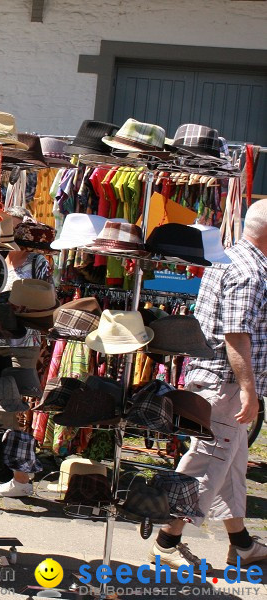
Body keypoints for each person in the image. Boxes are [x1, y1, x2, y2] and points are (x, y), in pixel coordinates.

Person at [150, 199, 267, 569]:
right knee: (207, 462)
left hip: (218, 379)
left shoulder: (232, 257)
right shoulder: (251, 271)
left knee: (230, 464)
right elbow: (236, 334)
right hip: (226, 382)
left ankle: (243, 544)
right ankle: (166, 542)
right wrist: (249, 389)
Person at [0, 239, 51, 498]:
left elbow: (47, 298)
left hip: (24, 342)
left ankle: (7, 478)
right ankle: (10, 479)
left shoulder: (37, 261)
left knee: (11, 407)